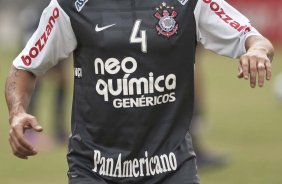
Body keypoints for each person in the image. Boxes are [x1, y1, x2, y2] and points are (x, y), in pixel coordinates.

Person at [5, 0, 274, 183]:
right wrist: (17, 113)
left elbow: (251, 37)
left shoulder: (189, 3)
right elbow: (25, 66)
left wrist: (257, 51)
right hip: (95, 169)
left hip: (171, 166)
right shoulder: (70, 6)